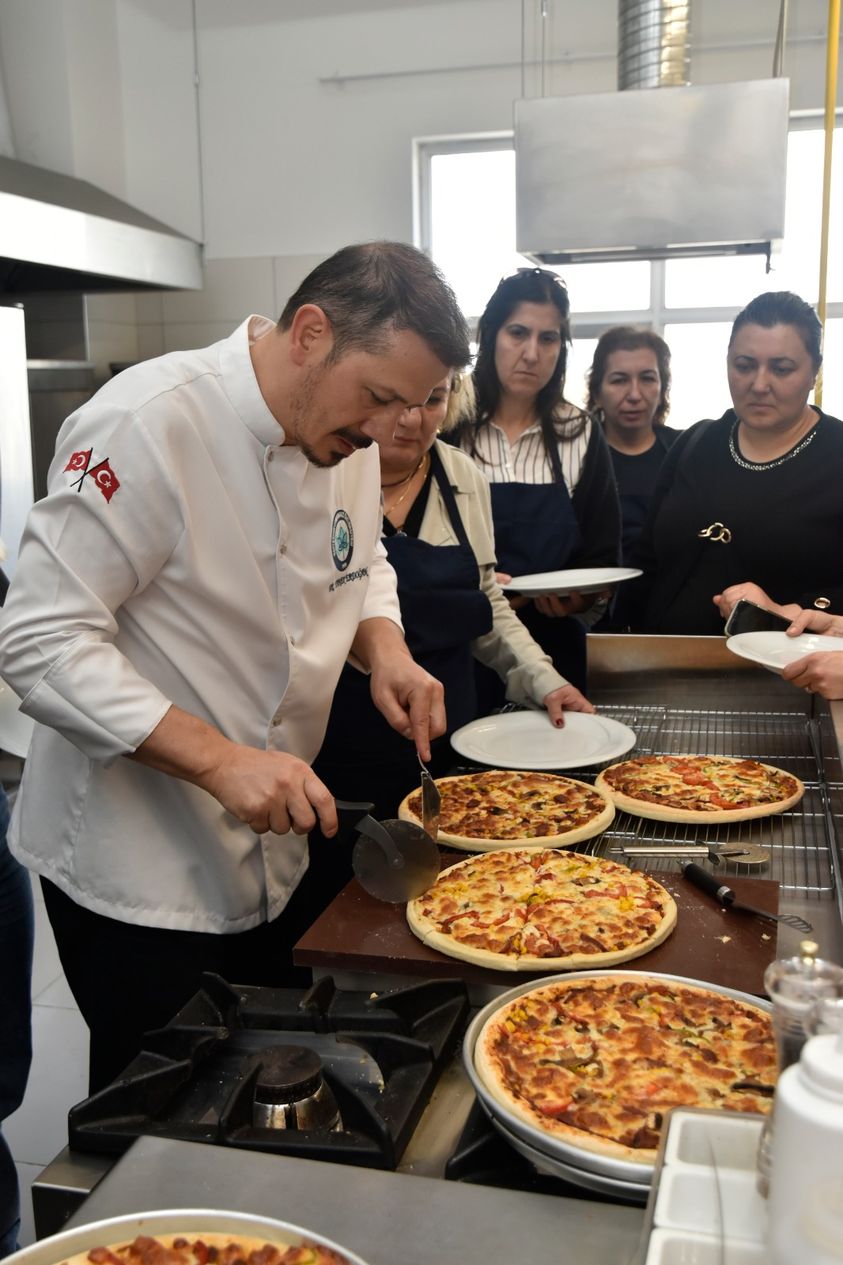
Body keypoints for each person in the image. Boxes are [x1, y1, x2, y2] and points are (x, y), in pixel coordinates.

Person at [0, 241, 471, 1093]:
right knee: (160, 1108)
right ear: (310, 333)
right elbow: (39, 639)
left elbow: (362, 565)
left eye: (413, 403)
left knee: (264, 1085)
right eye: (377, 397)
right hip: (138, 865)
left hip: (274, 847)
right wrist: (219, 758)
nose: (386, 431)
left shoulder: (346, 441)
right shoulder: (147, 422)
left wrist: (386, 650)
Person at [311, 370, 594, 833]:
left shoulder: (462, 476)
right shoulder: (327, 472)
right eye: (394, 398)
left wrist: (543, 680)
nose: (411, 418)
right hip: (342, 736)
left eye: (432, 400)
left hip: (452, 732)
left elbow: (485, 603)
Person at [449, 268, 621, 695]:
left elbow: (602, 555)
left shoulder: (579, 431)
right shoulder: (446, 420)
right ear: (489, 336)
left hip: (556, 653)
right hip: (457, 652)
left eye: (548, 339)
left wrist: (579, 598)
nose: (532, 353)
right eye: (518, 333)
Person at [632, 291, 843, 634]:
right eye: (744, 366)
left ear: (814, 372)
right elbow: (646, 562)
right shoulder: (696, 443)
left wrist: (787, 609)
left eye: (781, 368)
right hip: (662, 667)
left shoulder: (836, 455)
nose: (759, 384)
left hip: (786, 677)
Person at [587, 326, 680, 567]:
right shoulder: (580, 457)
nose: (634, 394)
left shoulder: (685, 452)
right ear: (596, 392)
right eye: (620, 380)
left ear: (662, 390)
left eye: (648, 378)